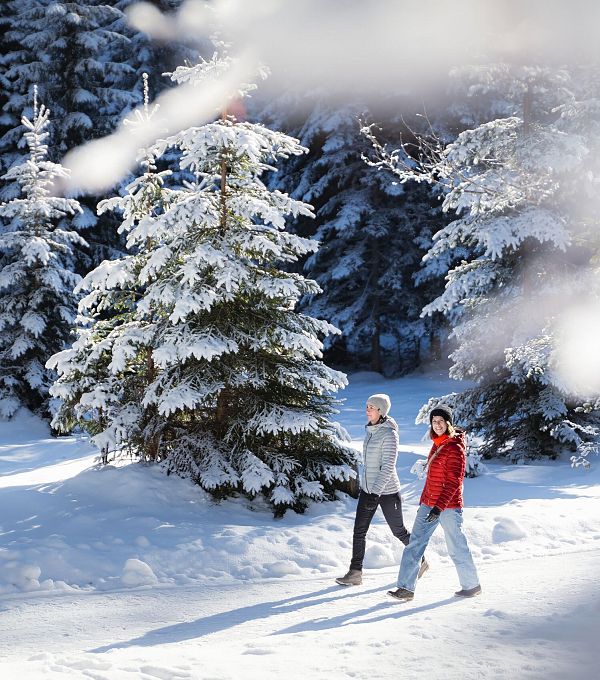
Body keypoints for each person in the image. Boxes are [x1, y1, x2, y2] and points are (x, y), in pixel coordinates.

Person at [387, 404, 481, 601]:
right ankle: (405, 589)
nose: (437, 425)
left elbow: (455, 481)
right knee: (415, 544)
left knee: (456, 546)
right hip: (428, 503)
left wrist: (438, 508)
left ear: (448, 423)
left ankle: (471, 585)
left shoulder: (454, 447)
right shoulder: (437, 444)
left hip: (448, 506)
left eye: (440, 421)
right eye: (434, 421)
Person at [336, 393, 428, 586]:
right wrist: (367, 489)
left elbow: (387, 467)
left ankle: (421, 561)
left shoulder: (389, 434)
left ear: (381, 410)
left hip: (387, 492)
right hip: (368, 490)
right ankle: (355, 572)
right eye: (367, 406)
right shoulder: (370, 430)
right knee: (359, 531)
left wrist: (375, 493)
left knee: (399, 531)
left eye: (371, 407)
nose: (367, 410)